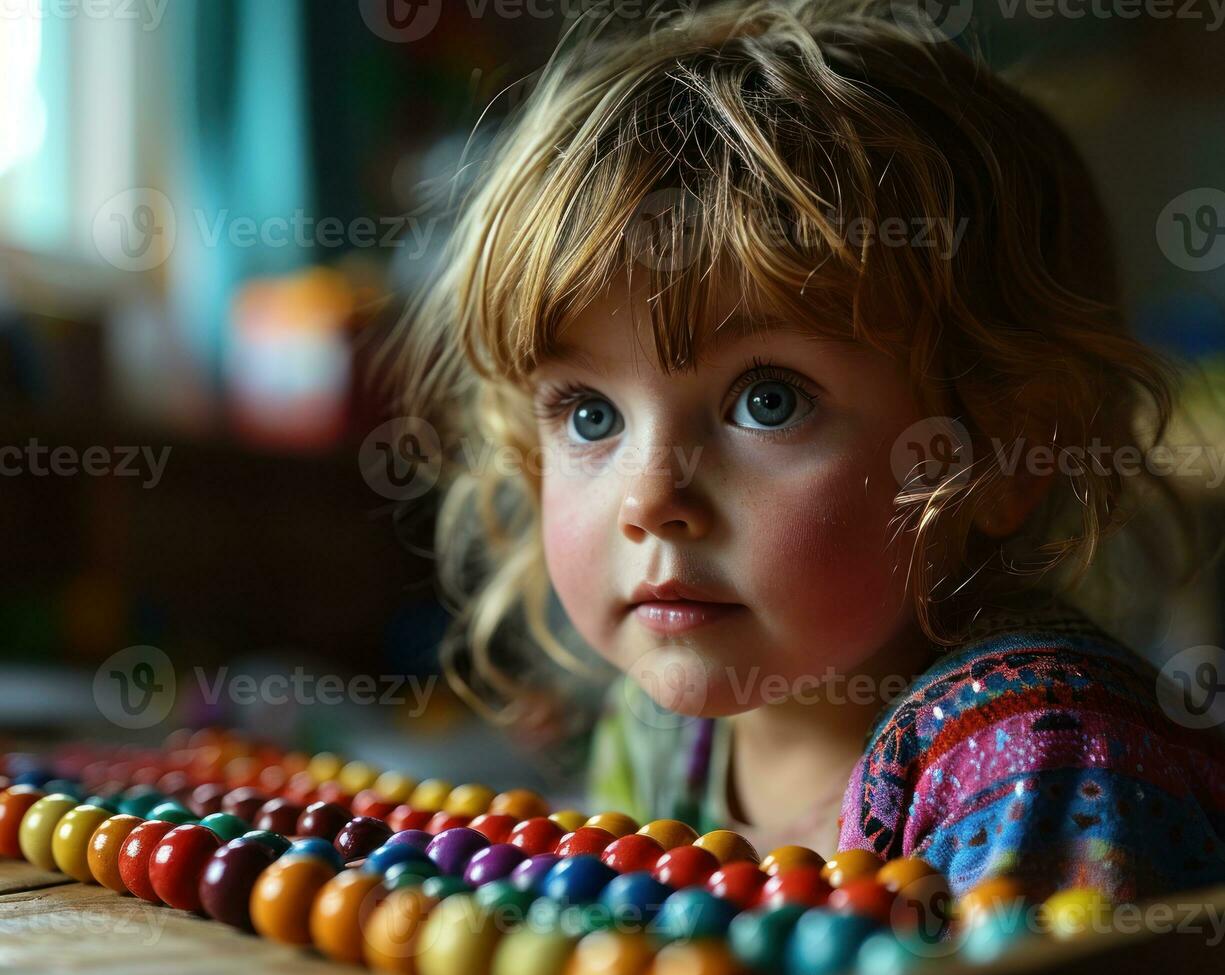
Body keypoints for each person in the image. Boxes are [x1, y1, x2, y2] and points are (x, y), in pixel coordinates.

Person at [392, 0, 1225, 902]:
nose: (649, 497)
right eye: (590, 414)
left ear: (1002, 452)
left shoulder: (1032, 759)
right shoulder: (660, 728)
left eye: (767, 400)